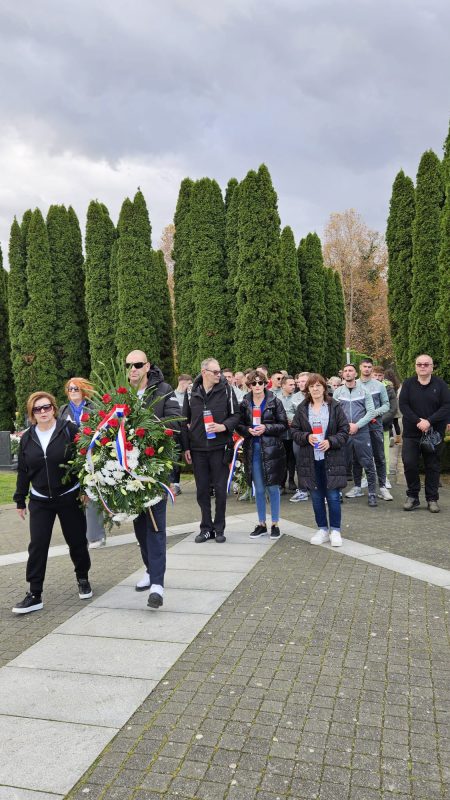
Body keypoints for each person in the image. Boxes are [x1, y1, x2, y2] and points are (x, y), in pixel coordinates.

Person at [12, 391, 92, 614]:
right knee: (37, 546)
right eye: (38, 409)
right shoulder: (28, 437)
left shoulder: (68, 430)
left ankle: (83, 578)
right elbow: (23, 471)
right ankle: (35, 593)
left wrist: (85, 487)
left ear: (54, 408)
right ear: (32, 413)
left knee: (76, 541)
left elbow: (83, 461)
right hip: (40, 500)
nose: (43, 412)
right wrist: (20, 499)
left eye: (46, 407)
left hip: (69, 495)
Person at [127, 350, 181, 607]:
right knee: (140, 527)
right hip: (129, 473)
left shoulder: (164, 390)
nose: (133, 369)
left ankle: (158, 585)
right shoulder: (121, 394)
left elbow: (175, 424)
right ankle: (150, 571)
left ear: (147, 366)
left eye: (138, 364)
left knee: (156, 527)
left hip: (156, 469)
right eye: (129, 365)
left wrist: (145, 427)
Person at [181, 357, 240, 543]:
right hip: (198, 449)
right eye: (215, 372)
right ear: (204, 372)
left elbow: (236, 415)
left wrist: (224, 427)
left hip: (219, 447)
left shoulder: (227, 390)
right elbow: (184, 420)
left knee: (221, 489)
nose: (219, 375)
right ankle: (206, 528)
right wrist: (186, 447)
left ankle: (219, 527)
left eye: (220, 371)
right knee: (202, 490)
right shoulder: (191, 391)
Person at [292, 374, 349, 546]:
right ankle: (323, 529)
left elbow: (344, 431)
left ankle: (336, 531)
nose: (315, 389)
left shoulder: (335, 406)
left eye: (318, 386)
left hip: (331, 458)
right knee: (316, 497)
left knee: (332, 496)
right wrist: (306, 437)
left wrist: (330, 442)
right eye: (311, 386)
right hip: (310, 459)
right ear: (307, 389)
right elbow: (294, 431)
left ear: (324, 388)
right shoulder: (302, 408)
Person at [236, 369, 287, 539]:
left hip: (272, 449)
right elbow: (239, 425)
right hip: (253, 449)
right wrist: (248, 430)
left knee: (273, 487)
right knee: (258, 488)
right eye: (253, 383)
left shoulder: (275, 401)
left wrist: (266, 428)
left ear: (265, 384)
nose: (257, 386)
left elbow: (283, 425)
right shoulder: (244, 403)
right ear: (249, 385)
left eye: (260, 383)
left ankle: (275, 523)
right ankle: (261, 523)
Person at [58, 377, 106, 547]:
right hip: (70, 459)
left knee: (92, 495)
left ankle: (96, 536)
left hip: (92, 456)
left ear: (84, 390)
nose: (72, 392)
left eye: (76, 389)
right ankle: (80, 536)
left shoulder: (94, 407)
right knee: (74, 498)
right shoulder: (63, 410)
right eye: (70, 389)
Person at [399, 355, 450, 513]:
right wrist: (418, 421)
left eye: (426, 364)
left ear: (432, 367)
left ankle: (432, 499)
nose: (422, 367)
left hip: (434, 433)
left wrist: (429, 421)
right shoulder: (408, 384)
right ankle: (413, 497)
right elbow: (403, 405)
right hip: (411, 433)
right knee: (409, 463)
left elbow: (446, 405)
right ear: (415, 367)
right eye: (419, 364)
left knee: (433, 466)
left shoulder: (440, 385)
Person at [334, 364, 378, 507]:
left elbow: (371, 412)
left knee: (367, 462)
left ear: (355, 373)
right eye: (345, 371)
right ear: (342, 374)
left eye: (350, 370)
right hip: (344, 433)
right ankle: (338, 493)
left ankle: (372, 493)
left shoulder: (364, 391)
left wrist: (357, 425)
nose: (348, 373)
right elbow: (334, 414)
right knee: (341, 463)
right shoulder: (338, 392)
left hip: (362, 432)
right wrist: (346, 427)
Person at [355, 358, 393, 501]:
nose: (367, 369)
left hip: (375, 425)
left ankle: (383, 486)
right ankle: (358, 486)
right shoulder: (355, 384)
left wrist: (373, 414)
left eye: (369, 367)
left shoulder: (379, 386)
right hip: (359, 426)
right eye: (364, 366)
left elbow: (386, 405)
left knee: (379, 456)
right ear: (360, 367)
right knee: (358, 456)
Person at [372, 365, 398, 484]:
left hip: (383, 426)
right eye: (375, 375)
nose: (377, 378)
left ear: (383, 376)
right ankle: (365, 477)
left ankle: (384, 477)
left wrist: (379, 421)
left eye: (380, 375)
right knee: (366, 454)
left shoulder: (388, 389)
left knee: (384, 454)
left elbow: (392, 409)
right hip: (366, 426)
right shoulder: (362, 387)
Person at [172, 373, 193, 496]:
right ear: (183, 383)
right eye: (189, 384)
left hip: (188, 432)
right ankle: (175, 484)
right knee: (175, 458)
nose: (190, 387)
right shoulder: (171, 396)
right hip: (175, 432)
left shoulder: (190, 396)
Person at [278, 375, 298, 493]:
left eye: (294, 385)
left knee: (292, 458)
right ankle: (281, 483)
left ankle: (291, 480)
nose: (293, 387)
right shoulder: (276, 399)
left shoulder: (296, 399)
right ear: (283, 385)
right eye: (290, 385)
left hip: (293, 433)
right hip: (280, 434)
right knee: (282, 459)